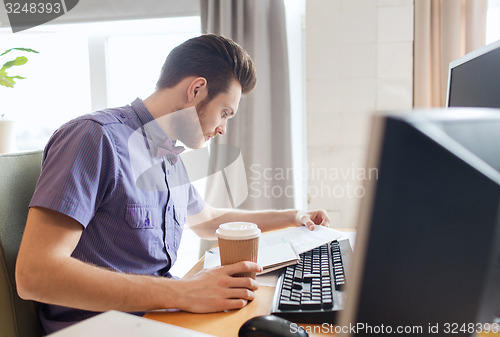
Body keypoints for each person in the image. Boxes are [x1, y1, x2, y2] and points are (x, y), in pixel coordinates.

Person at [15, 34, 330, 334]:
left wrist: (292, 217)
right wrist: (182, 292)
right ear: (196, 90)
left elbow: (208, 220)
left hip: (155, 314)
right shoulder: (95, 138)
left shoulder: (168, 154)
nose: (222, 129)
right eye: (224, 112)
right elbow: (35, 275)